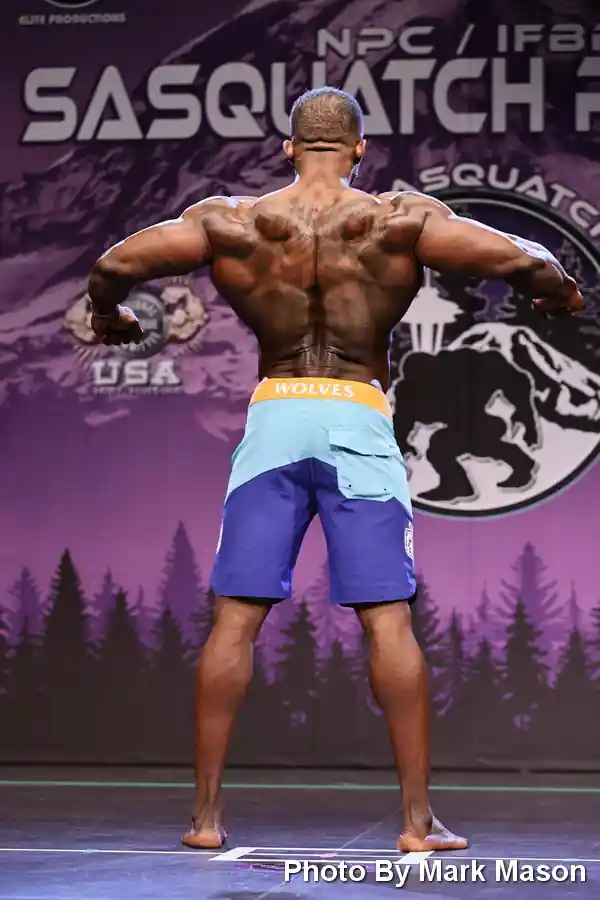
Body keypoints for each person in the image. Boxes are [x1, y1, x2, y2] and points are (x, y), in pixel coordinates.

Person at [87, 87, 583, 853]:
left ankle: (205, 820)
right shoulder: (398, 219)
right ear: (359, 149)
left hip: (276, 420)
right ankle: (416, 824)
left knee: (235, 618)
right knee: (387, 619)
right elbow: (526, 259)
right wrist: (558, 295)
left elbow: (115, 263)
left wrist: (110, 314)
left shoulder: (231, 222)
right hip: (355, 417)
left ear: (290, 148)